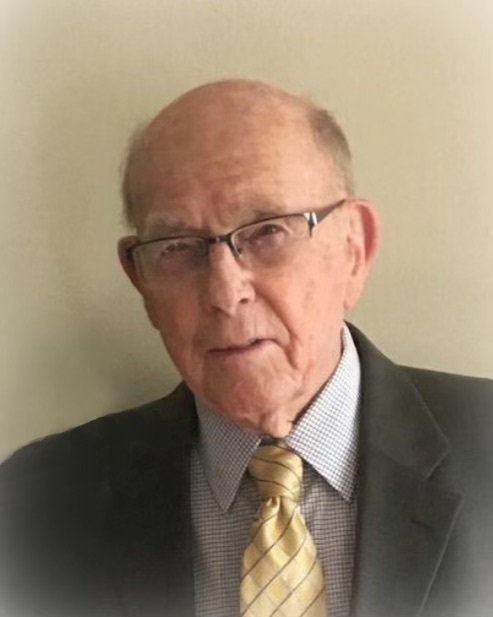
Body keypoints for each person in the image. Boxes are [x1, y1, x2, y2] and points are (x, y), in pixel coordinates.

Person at [0, 79, 491, 617]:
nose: (224, 292)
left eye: (268, 232)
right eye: (177, 247)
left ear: (354, 249)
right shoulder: (36, 505)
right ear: (140, 281)